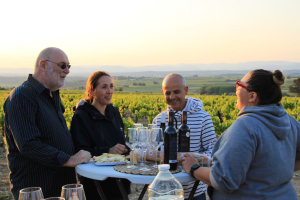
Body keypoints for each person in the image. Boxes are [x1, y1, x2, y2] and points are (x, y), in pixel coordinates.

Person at [182, 69, 300, 200]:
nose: (236, 89)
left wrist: (194, 168)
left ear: (252, 96)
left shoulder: (245, 126)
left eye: (239, 85)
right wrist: (274, 175)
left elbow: (223, 180)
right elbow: (259, 163)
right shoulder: (291, 122)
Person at [3, 47, 91, 199]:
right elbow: (28, 144)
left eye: (69, 67)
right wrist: (68, 159)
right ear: (43, 65)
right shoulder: (22, 96)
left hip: (60, 187)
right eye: (62, 65)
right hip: (36, 191)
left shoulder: (52, 97)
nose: (67, 71)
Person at [153, 73, 217, 200]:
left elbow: (213, 153)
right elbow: (155, 150)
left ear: (186, 90)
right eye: (167, 93)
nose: (172, 97)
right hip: (166, 191)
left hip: (194, 190)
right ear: (162, 93)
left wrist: (193, 159)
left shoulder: (203, 118)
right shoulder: (159, 119)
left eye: (176, 92)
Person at [71, 71, 130, 200]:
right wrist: (108, 150)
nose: (109, 91)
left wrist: (125, 149)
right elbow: (81, 151)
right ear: (91, 91)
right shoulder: (81, 117)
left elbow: (122, 142)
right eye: (104, 87)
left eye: (111, 86)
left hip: (119, 177)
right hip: (96, 182)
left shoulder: (114, 112)